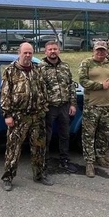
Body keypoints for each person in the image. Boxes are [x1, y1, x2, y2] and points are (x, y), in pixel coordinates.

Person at [0, 42, 53, 191]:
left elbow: (43, 90)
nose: (28, 55)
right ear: (19, 53)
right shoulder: (10, 71)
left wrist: (43, 108)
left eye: (30, 53)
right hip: (18, 117)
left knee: (39, 147)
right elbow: (4, 94)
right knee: (13, 149)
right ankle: (8, 177)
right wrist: (7, 115)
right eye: (25, 53)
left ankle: (39, 174)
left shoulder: (37, 70)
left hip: (37, 116)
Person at [78, 41, 109, 178]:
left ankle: (100, 156)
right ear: (93, 51)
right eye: (98, 50)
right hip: (91, 106)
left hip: (107, 106)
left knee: (104, 135)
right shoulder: (86, 63)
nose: (100, 53)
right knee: (88, 136)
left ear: (106, 51)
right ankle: (89, 163)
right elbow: (82, 81)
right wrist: (99, 86)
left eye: (103, 50)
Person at [41, 40, 77, 170]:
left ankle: (64, 160)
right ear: (45, 52)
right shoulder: (40, 68)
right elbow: (38, 89)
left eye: (55, 49)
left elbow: (71, 86)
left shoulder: (65, 67)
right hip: (49, 108)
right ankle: (44, 161)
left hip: (64, 106)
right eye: (50, 49)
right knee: (46, 136)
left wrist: (73, 104)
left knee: (65, 134)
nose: (52, 51)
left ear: (59, 50)